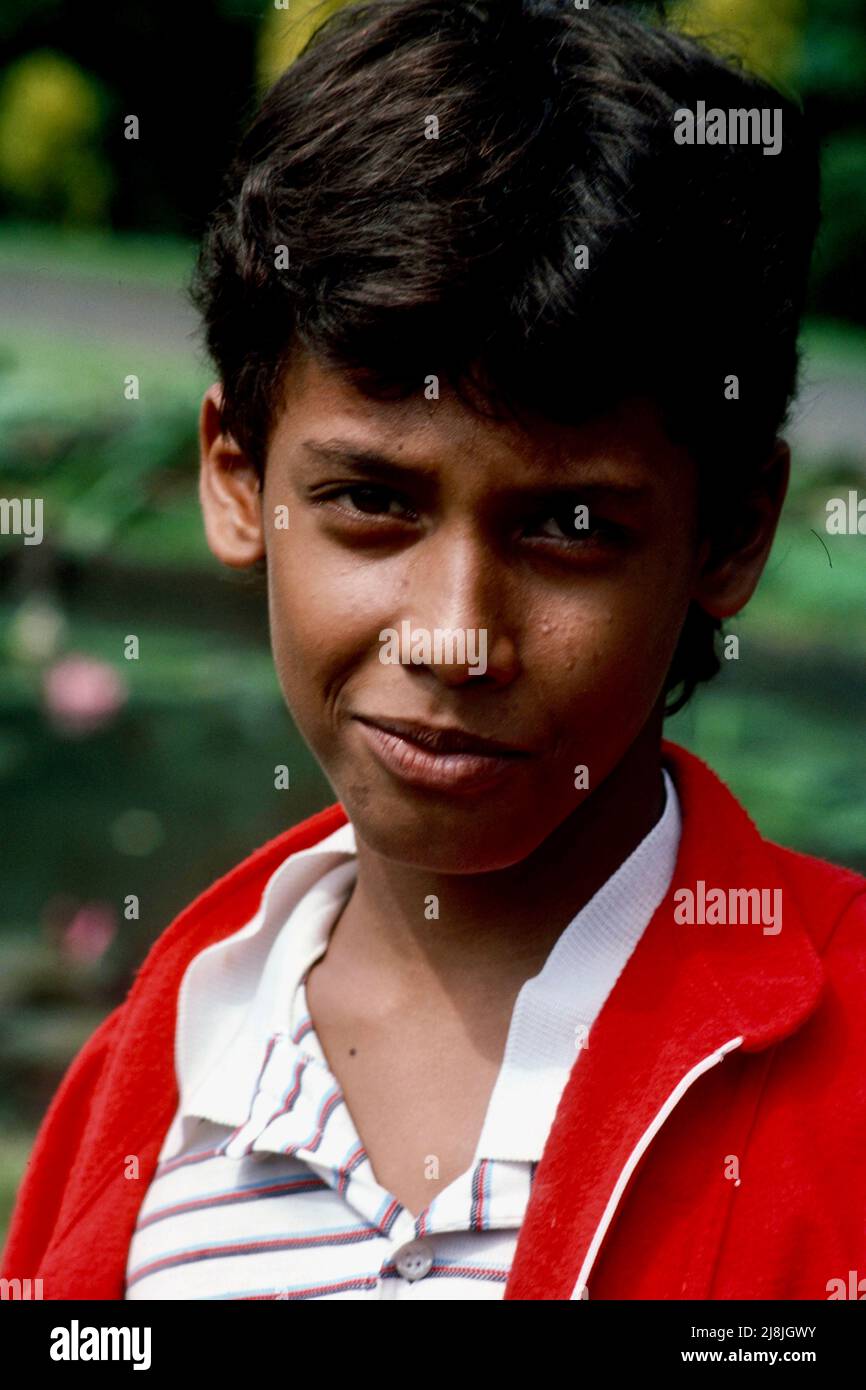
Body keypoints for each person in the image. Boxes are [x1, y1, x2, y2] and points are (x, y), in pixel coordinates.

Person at [3, 0, 864, 1302]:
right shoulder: (150, 1095)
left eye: (569, 525)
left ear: (729, 534)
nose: (455, 629)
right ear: (238, 479)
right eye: (373, 501)